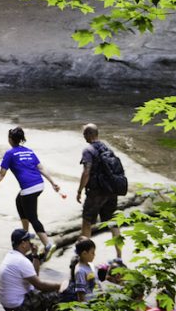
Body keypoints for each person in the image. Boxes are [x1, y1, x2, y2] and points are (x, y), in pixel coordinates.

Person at [0, 127, 64, 261]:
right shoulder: (29, 151)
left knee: (33, 217)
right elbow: (40, 168)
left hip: (29, 188)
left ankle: (48, 244)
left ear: (10, 139)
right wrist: (53, 182)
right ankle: (26, 237)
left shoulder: (10, 153)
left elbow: (2, 173)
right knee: (19, 201)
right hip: (39, 184)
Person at [76, 123, 123, 259]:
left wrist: (79, 190)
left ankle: (84, 256)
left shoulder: (88, 150)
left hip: (96, 192)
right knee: (113, 223)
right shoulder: (107, 148)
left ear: (90, 134)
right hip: (111, 191)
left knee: (87, 221)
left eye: (85, 133)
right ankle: (119, 257)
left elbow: (86, 172)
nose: (84, 136)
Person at [0, 229, 62, 311]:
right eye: (29, 240)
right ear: (23, 244)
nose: (31, 243)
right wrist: (60, 285)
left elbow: (35, 275)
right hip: (18, 305)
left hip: (8, 304)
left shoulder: (11, 255)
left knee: (41, 292)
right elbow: (39, 285)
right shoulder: (21, 261)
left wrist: (35, 255)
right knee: (55, 294)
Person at [63, 239, 98, 303]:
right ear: (84, 253)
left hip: (96, 300)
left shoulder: (89, 265)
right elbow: (81, 295)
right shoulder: (80, 271)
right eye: (92, 253)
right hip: (89, 303)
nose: (94, 255)